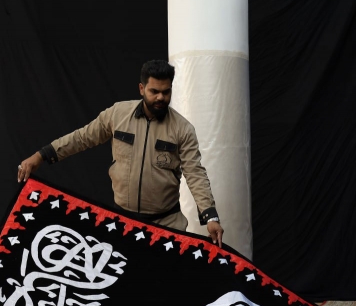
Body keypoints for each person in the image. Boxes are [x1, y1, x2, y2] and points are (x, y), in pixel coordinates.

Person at [17, 60, 224, 247]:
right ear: (141, 88)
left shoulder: (183, 129)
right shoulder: (118, 114)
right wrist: (41, 155)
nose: (161, 97)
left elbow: (195, 173)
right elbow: (82, 138)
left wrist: (210, 217)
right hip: (122, 222)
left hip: (166, 226)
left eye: (166, 92)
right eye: (154, 91)